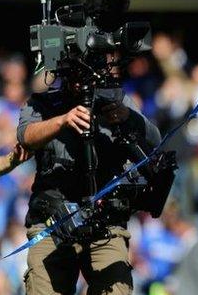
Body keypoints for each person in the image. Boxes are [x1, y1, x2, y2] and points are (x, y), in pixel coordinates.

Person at [17, 60, 161, 295]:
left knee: (117, 288)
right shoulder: (43, 102)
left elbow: (154, 138)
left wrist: (126, 117)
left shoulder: (116, 99)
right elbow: (26, 136)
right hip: (52, 221)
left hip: (105, 220)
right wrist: (63, 120)